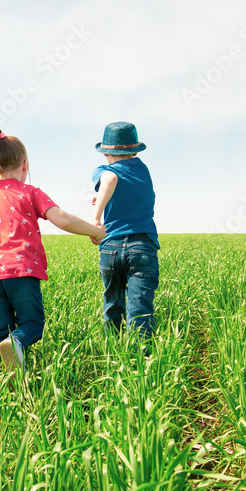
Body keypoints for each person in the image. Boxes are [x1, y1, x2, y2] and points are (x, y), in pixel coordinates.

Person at [0, 126, 105, 374]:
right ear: (24, 164)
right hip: (22, 271)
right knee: (31, 324)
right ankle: (17, 342)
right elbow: (62, 219)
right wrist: (96, 231)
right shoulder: (30, 192)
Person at [91, 121, 159, 339]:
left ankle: (113, 355)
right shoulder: (143, 170)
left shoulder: (104, 170)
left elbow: (110, 179)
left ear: (105, 153)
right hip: (142, 246)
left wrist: (95, 218)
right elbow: (131, 193)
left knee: (113, 305)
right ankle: (141, 362)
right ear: (135, 150)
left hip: (111, 246)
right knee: (140, 310)